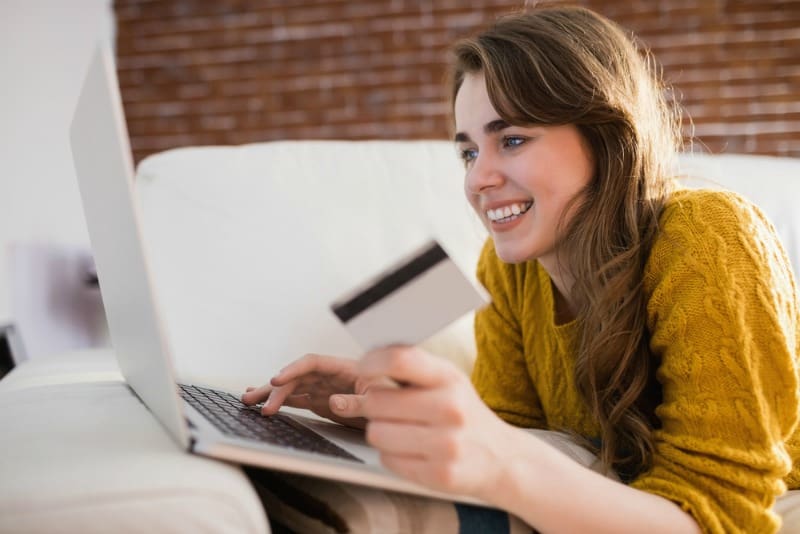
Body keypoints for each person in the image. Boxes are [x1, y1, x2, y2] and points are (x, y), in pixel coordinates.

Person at [242, 5, 800, 533]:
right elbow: (517, 433)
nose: (477, 180)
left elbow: (722, 515)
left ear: (608, 140)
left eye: (510, 140)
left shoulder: (708, 235)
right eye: (467, 152)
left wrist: (501, 458)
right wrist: (389, 411)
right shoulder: (511, 267)